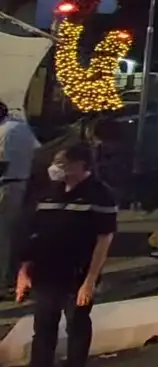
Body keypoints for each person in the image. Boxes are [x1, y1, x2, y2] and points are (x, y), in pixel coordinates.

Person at [16, 143, 117, 367]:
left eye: (62, 163)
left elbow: (104, 239)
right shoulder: (49, 193)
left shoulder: (100, 194)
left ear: (80, 165)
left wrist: (90, 281)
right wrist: (24, 272)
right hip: (46, 272)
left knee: (77, 324)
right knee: (43, 327)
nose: (55, 168)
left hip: (77, 272)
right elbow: (34, 234)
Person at [0, 102, 38, 288]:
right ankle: (8, 277)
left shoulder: (5, 132)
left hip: (6, 185)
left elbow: (2, 164)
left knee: (3, 236)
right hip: (20, 183)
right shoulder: (22, 127)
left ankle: (3, 281)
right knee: (10, 235)